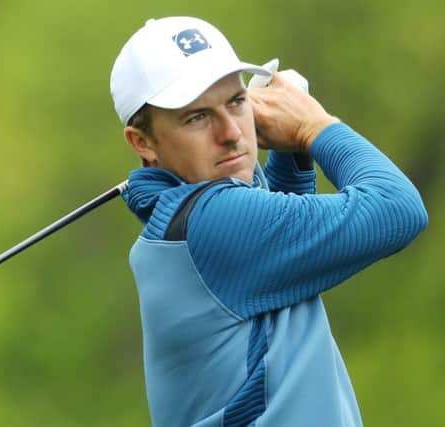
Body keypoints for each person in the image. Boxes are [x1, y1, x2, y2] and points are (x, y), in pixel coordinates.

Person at [109, 16, 428, 427]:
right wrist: (314, 126)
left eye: (236, 102)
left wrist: (292, 154)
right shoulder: (212, 223)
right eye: (197, 118)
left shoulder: (187, 226)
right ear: (143, 143)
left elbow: (281, 273)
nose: (230, 133)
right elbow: (397, 207)